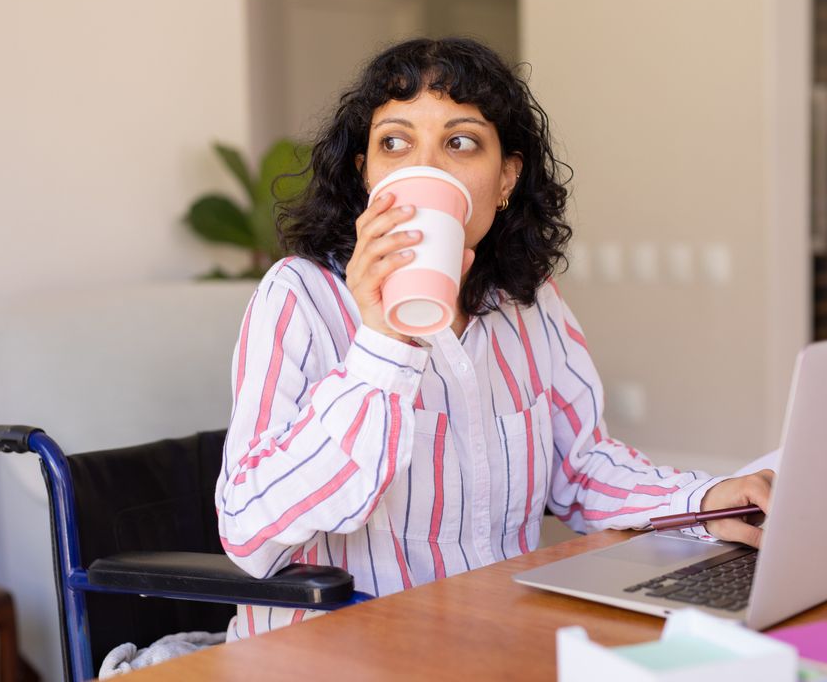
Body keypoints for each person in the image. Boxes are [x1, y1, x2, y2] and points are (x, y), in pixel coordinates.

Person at [215, 36, 773, 640]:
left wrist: (706, 501)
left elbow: (582, 469)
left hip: (492, 637)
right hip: (341, 650)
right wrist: (384, 343)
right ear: (365, 175)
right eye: (395, 143)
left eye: (460, 142)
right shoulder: (299, 295)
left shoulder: (528, 302)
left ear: (507, 176)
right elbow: (247, 531)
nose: (426, 167)